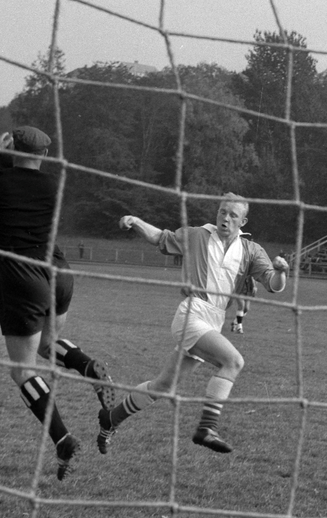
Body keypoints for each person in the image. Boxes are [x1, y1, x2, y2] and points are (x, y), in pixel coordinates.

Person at [0, 127, 116, 481]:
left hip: (22, 277)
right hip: (59, 271)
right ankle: (90, 368)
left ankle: (63, 439)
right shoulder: (52, 186)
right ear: (46, 155)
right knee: (48, 345)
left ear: (12, 148)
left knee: (22, 369)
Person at [99, 194, 289, 455]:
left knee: (163, 386)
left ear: (242, 221)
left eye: (233, 215)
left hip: (214, 321)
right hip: (192, 314)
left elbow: (273, 286)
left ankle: (111, 418)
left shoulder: (251, 250)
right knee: (233, 362)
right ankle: (206, 428)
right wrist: (136, 221)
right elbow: (160, 238)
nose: (225, 218)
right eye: (223, 212)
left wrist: (281, 272)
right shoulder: (197, 235)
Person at [231, 267, 256, 334]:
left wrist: (254, 287)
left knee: (246, 308)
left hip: (248, 290)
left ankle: (235, 322)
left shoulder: (250, 266)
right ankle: (239, 327)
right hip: (239, 289)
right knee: (241, 306)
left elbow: (252, 277)